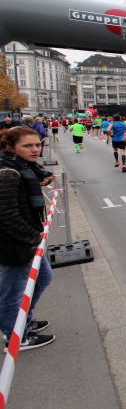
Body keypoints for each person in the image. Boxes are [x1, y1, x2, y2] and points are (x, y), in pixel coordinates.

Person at [0, 127, 55, 350]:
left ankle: (23, 321)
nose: (35, 150)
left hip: (25, 238)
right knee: (12, 292)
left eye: (37, 145)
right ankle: (16, 337)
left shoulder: (22, 167)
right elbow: (5, 214)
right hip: (13, 242)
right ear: (10, 148)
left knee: (42, 277)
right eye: (27, 146)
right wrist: (33, 238)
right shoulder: (7, 172)